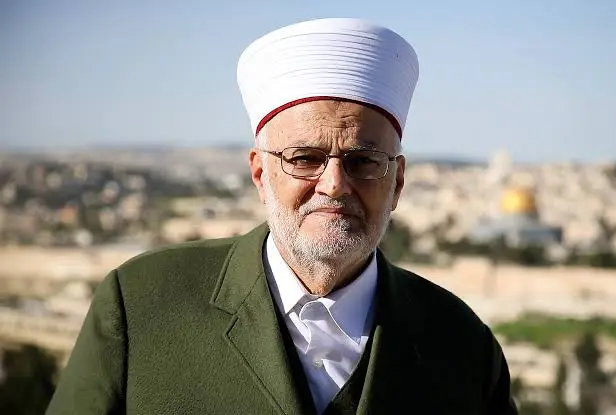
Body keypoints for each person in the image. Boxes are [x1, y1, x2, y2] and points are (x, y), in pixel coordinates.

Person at [46, 18, 518, 415]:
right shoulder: (140, 306)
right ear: (260, 173)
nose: (334, 184)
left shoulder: (461, 345)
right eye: (305, 159)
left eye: (363, 161)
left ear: (397, 182)